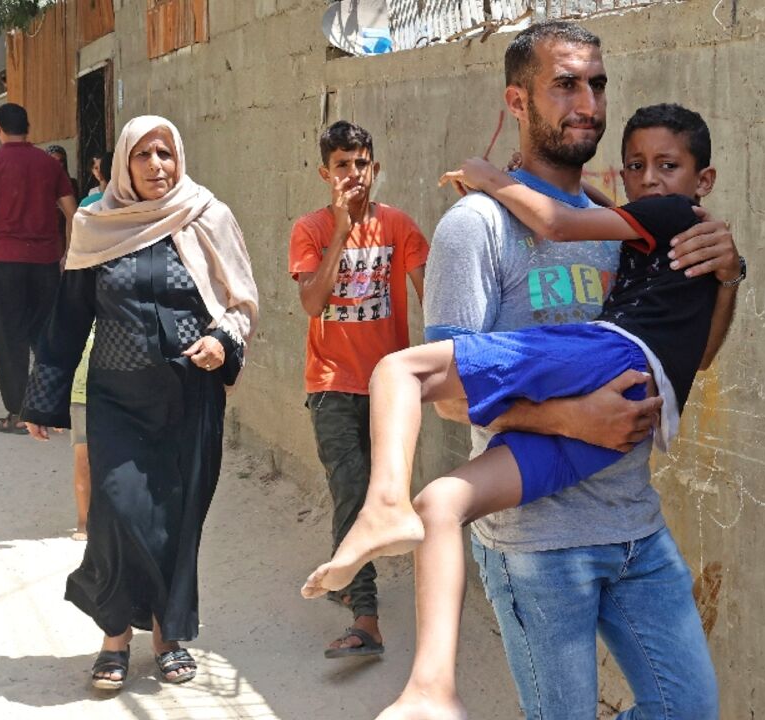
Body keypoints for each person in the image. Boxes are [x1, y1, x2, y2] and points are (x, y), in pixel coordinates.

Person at [304, 104, 740, 719]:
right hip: (592, 455)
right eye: (636, 166)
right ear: (517, 100)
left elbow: (562, 223)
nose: (648, 180)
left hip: (613, 371)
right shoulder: (518, 227)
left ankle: (381, 509)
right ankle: (430, 688)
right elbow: (591, 208)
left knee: (401, 369)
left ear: (705, 180)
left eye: (668, 166)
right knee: (443, 501)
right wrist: (571, 418)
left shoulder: (672, 219)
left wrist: (491, 177)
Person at [406, 22, 743, 720]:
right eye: (565, 84)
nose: (586, 102)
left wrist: (728, 277)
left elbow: (690, 359)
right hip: (536, 543)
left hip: (635, 527)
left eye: (596, 84)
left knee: (690, 709)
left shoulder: (623, 226)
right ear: (518, 101)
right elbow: (442, 391)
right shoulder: (477, 226)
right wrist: (569, 417)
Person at [20, 115, 259, 691]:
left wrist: (221, 341)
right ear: (124, 163)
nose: (158, 166)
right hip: (117, 399)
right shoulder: (96, 224)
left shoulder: (206, 215)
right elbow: (69, 315)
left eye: (166, 154)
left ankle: (167, 635)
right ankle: (114, 636)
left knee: (177, 520)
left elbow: (240, 300)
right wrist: (43, 396)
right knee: (118, 511)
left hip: (189, 398)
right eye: (145, 155)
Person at [288, 120, 429, 659]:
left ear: (374, 166)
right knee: (351, 488)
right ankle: (366, 620)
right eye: (343, 165)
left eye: (362, 163)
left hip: (388, 385)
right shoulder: (311, 229)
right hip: (330, 383)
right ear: (326, 172)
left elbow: (429, 293)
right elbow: (311, 303)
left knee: (375, 491)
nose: (354, 174)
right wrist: (343, 231)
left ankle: (348, 578)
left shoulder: (398, 226)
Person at [0, 103, 77, 434]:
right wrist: (69, 252)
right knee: (45, 335)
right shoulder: (48, 164)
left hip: (7, 262)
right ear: (30, 127)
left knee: (9, 337)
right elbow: (73, 212)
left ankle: (19, 413)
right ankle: (48, 407)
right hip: (45, 263)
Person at [65, 150, 111, 542]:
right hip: (98, 379)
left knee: (86, 456)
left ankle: (85, 524)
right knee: (97, 455)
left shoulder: (88, 210)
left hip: (92, 379)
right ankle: (89, 523)